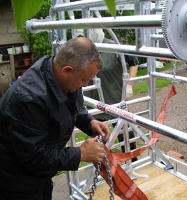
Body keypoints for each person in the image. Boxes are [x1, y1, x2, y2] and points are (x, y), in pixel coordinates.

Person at [0, 37, 110, 200]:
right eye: (84, 79)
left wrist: (89, 122)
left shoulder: (65, 78)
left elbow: (73, 107)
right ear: (67, 70)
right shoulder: (29, 98)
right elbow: (34, 156)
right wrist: (80, 153)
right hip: (16, 182)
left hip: (41, 176)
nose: (86, 85)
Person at [85, 29, 138, 159]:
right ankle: (105, 166)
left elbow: (134, 62)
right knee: (99, 137)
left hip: (115, 98)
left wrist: (129, 84)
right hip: (95, 100)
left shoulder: (113, 46)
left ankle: (132, 160)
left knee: (125, 134)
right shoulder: (84, 50)